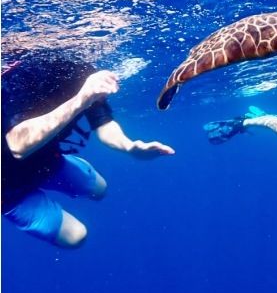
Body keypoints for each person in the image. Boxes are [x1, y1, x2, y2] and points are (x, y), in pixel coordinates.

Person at [1, 51, 175, 248]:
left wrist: (130, 147)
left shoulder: (80, 69)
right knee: (76, 237)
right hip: (8, 186)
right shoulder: (16, 74)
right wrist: (82, 99)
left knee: (99, 190)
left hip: (46, 161)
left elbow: (104, 124)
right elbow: (17, 145)